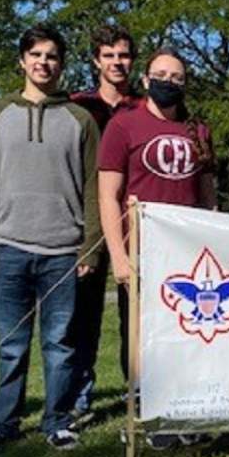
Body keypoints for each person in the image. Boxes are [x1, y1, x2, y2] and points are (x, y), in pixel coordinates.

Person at [0, 25, 102, 452]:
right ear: (22, 61)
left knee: (60, 345)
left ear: (63, 64)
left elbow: (94, 189)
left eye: (53, 56)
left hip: (64, 251)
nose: (44, 63)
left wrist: (90, 247)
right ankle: (3, 423)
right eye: (36, 55)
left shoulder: (80, 119)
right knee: (11, 346)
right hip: (8, 250)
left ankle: (57, 421)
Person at [99, 47, 216, 390]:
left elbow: (208, 197)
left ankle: (184, 401)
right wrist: (119, 258)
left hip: (186, 254)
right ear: (146, 79)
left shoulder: (198, 129)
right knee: (140, 331)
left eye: (177, 78)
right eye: (161, 76)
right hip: (140, 250)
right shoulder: (123, 124)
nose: (168, 82)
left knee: (185, 330)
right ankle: (143, 402)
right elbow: (108, 195)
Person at [68, 25, 148, 424]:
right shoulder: (78, 105)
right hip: (88, 225)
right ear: (97, 60)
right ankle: (80, 398)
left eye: (124, 55)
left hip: (134, 225)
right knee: (84, 317)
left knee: (135, 317)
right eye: (110, 55)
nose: (118, 63)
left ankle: (139, 390)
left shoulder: (144, 106)